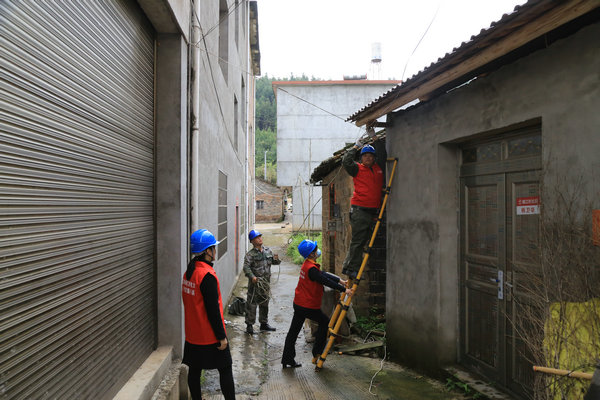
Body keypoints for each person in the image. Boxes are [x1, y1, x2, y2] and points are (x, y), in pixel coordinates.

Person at [281, 239, 353, 368]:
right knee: (324, 322)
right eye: (315, 250)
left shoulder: (307, 265)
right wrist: (345, 290)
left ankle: (287, 359)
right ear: (311, 254)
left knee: (293, 332)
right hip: (307, 305)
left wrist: (340, 281)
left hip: (299, 303)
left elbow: (323, 274)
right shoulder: (311, 269)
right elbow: (324, 280)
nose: (317, 251)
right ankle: (317, 352)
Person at [182, 229, 236, 400]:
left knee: (195, 369)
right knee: (226, 368)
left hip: (192, 335)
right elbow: (213, 310)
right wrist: (221, 337)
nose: (215, 251)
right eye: (213, 247)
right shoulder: (206, 276)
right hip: (209, 336)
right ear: (207, 251)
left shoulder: (189, 273)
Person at [341, 140, 386, 279]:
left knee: (363, 240)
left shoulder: (378, 169)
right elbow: (346, 162)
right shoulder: (357, 169)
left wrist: (373, 136)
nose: (368, 157)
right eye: (365, 155)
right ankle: (351, 268)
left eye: (371, 155)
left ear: (374, 158)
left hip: (372, 211)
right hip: (360, 210)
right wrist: (355, 147)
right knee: (358, 240)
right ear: (361, 158)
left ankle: (349, 266)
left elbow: (383, 154)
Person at [243, 229, 281, 334]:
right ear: (252, 241)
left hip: (265, 283)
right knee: (252, 304)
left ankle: (264, 324)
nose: (260, 239)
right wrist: (252, 277)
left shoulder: (268, 251)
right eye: (257, 237)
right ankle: (249, 326)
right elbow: (246, 268)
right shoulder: (250, 255)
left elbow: (274, 262)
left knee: (265, 303)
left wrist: (276, 259)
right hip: (255, 284)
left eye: (260, 236)